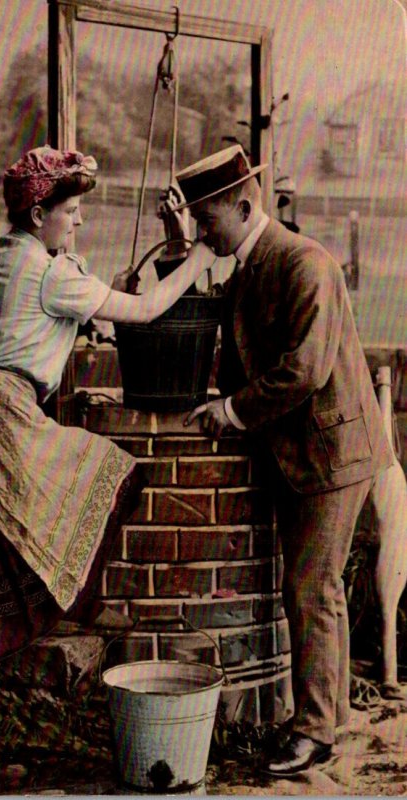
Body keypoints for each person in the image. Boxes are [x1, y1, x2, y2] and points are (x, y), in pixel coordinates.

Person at [0, 145, 216, 793]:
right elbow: (147, 311)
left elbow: (35, 317)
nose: (79, 223)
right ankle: (85, 597)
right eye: (71, 212)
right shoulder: (52, 274)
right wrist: (196, 256)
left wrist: (80, 301)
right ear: (39, 212)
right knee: (115, 473)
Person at [165, 144, 393, 775]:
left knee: (311, 587)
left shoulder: (304, 263)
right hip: (306, 448)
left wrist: (232, 411)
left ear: (241, 206)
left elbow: (305, 370)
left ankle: (316, 731)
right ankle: (331, 716)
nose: (201, 230)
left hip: (333, 451)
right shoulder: (251, 261)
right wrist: (178, 248)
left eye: (206, 220)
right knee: (317, 588)